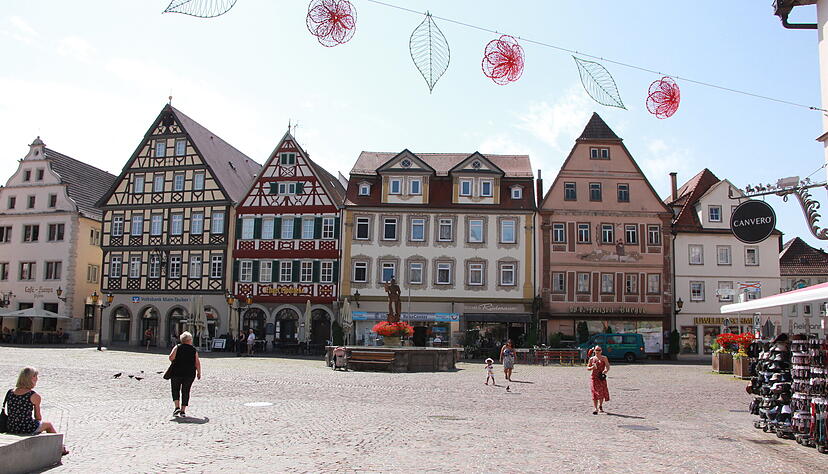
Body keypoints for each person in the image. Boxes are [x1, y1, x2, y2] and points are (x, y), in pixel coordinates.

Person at [5, 367, 68, 455]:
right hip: (26, 427)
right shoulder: (33, 395)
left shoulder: (10, 392)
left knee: (40, 425)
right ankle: (61, 448)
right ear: (31, 379)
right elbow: (38, 417)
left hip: (11, 426)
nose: (37, 379)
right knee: (48, 425)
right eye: (36, 377)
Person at [168, 331, 201, 417]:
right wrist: (199, 373)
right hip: (189, 373)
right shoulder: (193, 349)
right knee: (186, 391)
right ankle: (183, 410)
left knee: (175, 389)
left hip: (176, 372)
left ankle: (176, 407)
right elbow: (197, 362)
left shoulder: (177, 347)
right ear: (189, 340)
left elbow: (171, 357)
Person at [587, 345, 610, 414]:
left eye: (599, 350)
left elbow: (608, 366)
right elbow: (588, 368)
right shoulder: (591, 359)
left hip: (601, 377)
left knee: (601, 392)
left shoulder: (604, 358)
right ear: (594, 351)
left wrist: (605, 370)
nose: (598, 352)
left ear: (601, 351)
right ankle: (595, 408)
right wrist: (592, 368)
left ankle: (600, 405)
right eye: (596, 350)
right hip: (594, 377)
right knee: (594, 392)